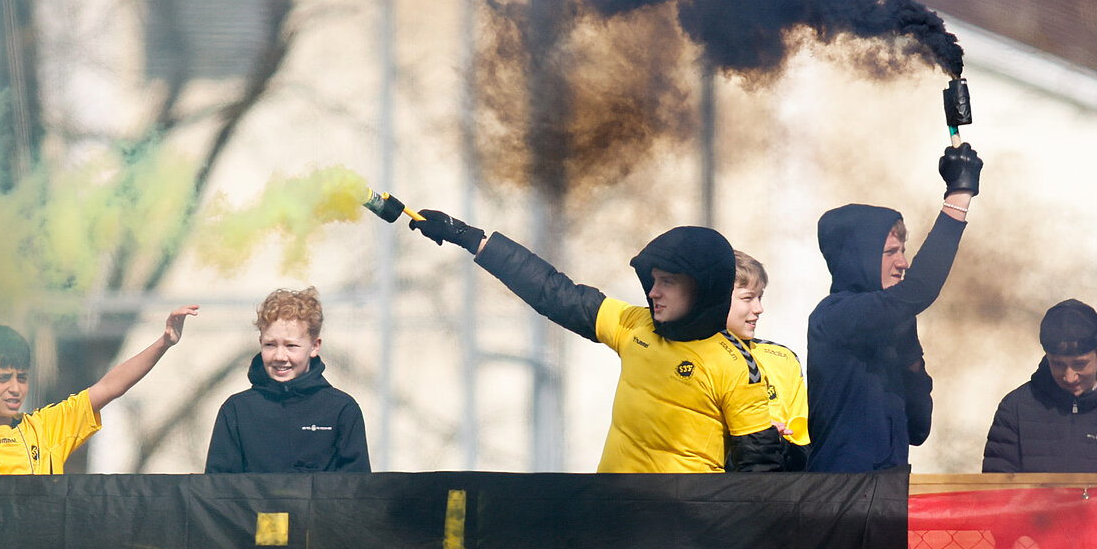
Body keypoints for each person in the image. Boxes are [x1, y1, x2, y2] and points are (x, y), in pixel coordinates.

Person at [411, 211, 793, 472]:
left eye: (669, 282)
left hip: (683, 539)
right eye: (653, 280)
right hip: (612, 522)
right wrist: (470, 238)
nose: (654, 292)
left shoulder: (738, 367)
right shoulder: (635, 325)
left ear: (703, 289)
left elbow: (758, 479)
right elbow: (554, 292)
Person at [0, 287, 198, 475]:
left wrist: (164, 342)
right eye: (2, 378)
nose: (15, 388)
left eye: (21, 378)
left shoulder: (47, 428)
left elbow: (108, 387)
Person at [806, 142, 983, 471]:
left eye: (904, 249)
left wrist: (912, 364)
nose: (903, 262)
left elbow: (918, 430)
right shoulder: (834, 316)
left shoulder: (890, 324)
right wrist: (958, 197)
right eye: (890, 252)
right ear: (858, 259)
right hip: (838, 502)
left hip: (887, 497)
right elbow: (920, 288)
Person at [981, 299, 1097, 473]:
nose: (1069, 377)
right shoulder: (1015, 409)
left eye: (1080, 364)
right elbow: (996, 496)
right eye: (1058, 364)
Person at [206, 287, 369, 473]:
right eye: (270, 345)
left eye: (291, 346)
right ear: (260, 343)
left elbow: (358, 493)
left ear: (315, 346)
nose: (280, 356)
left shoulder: (342, 409)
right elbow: (216, 491)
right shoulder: (236, 410)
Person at [723, 251, 809, 467]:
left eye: (760, 297)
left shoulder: (784, 359)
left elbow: (805, 447)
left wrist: (777, 441)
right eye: (747, 298)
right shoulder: (696, 357)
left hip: (778, 488)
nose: (759, 309)